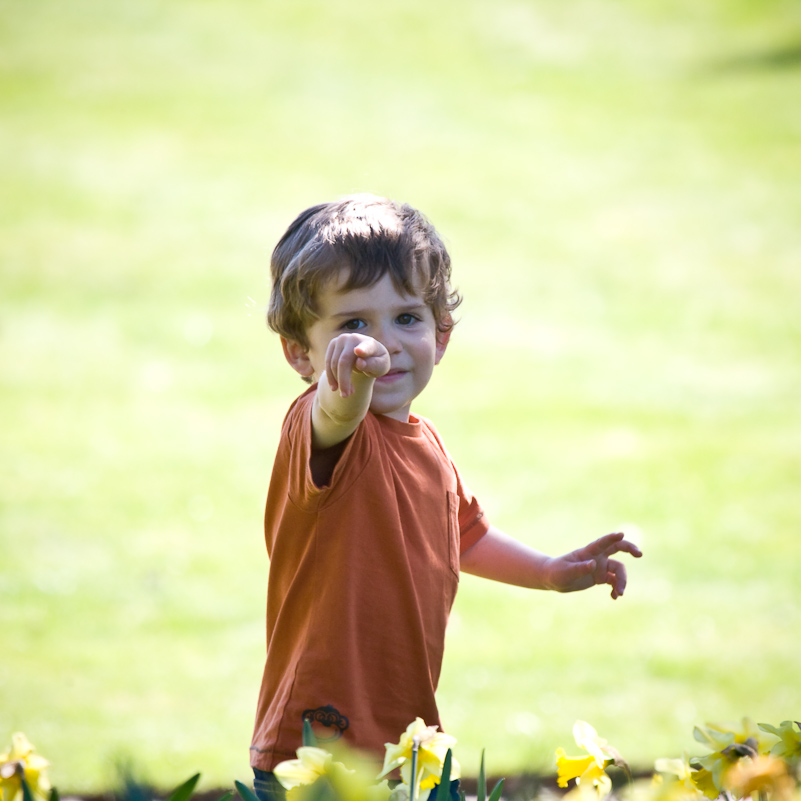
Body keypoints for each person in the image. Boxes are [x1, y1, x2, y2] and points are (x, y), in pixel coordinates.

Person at [250, 194, 642, 800]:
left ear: (442, 333)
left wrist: (548, 571)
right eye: (353, 325)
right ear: (300, 352)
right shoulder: (320, 428)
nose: (383, 343)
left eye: (407, 318)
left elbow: (465, 535)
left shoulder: (426, 443)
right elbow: (337, 406)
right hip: (318, 743)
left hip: (410, 743)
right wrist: (349, 378)